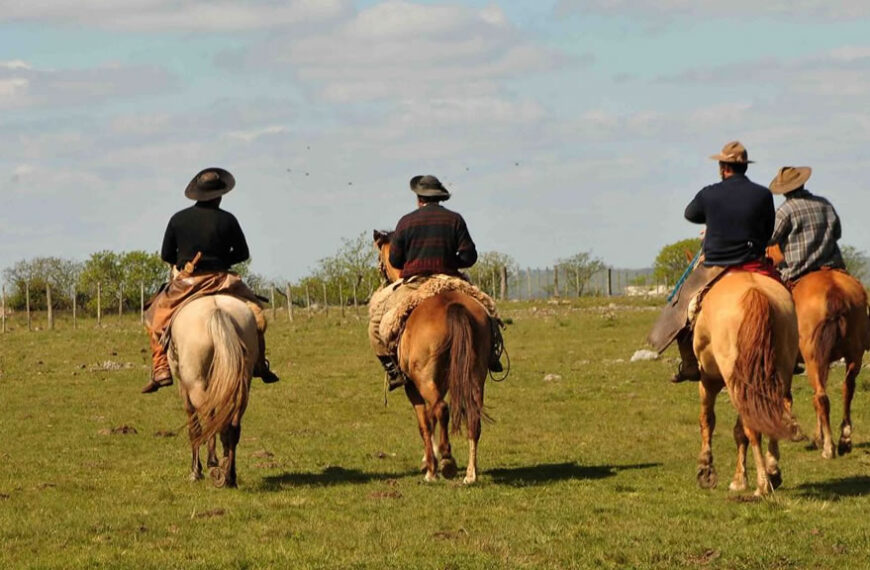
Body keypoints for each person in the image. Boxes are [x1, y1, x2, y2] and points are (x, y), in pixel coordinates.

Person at [141, 167, 279, 393]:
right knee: (256, 314)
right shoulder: (228, 219)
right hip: (224, 279)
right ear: (220, 194)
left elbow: (166, 255)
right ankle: (259, 364)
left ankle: (161, 368)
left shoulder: (178, 219)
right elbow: (243, 254)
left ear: (197, 193)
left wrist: (184, 263)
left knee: (154, 317)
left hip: (188, 281)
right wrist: (222, 259)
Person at [368, 174, 502, 390]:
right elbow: (470, 257)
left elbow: (394, 260)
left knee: (376, 326)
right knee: (489, 313)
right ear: (439, 198)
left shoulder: (406, 221)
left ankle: (394, 373)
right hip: (450, 280)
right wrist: (450, 261)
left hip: (415, 284)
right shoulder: (455, 219)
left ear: (419, 198)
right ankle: (492, 356)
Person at [670, 141, 777, 383]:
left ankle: (689, 364)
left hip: (715, 266)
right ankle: (790, 356)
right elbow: (768, 230)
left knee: (682, 305)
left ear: (723, 167)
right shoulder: (763, 194)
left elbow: (690, 213)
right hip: (754, 263)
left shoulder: (710, 193)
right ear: (744, 167)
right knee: (787, 297)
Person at [768, 166, 845, 284]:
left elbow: (770, 239)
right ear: (802, 184)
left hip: (797, 272)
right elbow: (837, 233)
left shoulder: (784, 211)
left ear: (784, 191)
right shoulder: (824, 203)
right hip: (832, 266)